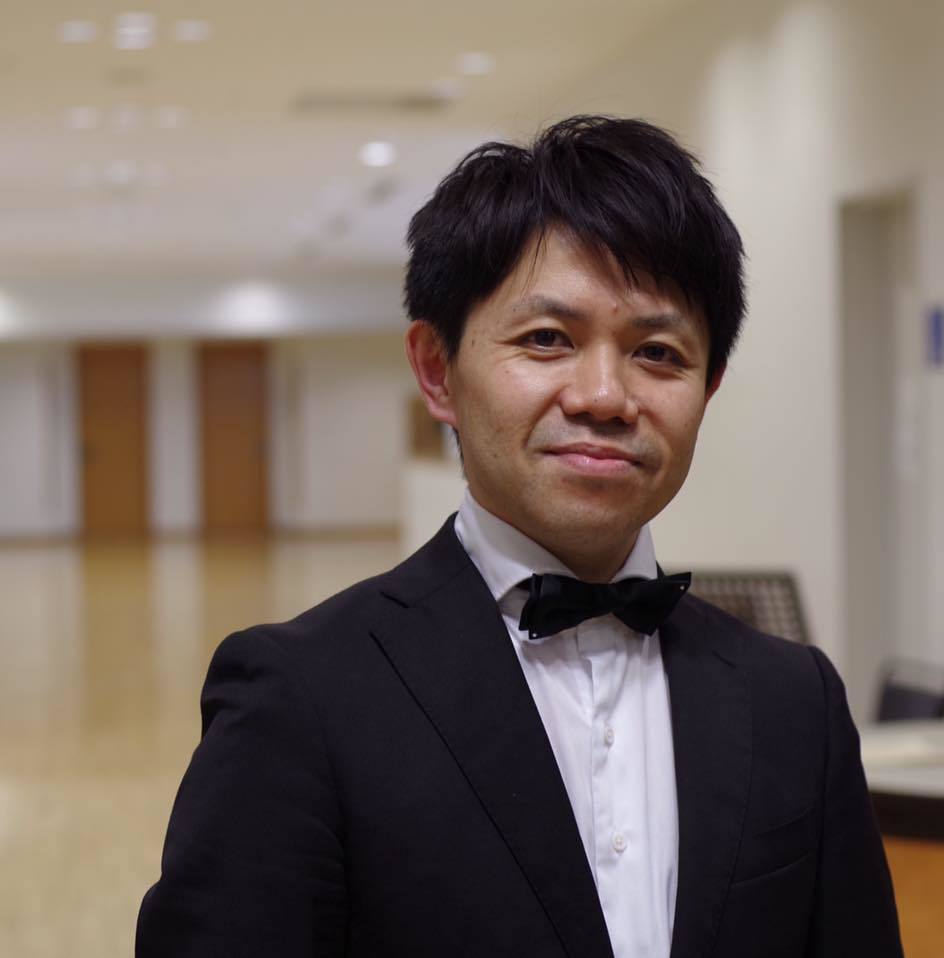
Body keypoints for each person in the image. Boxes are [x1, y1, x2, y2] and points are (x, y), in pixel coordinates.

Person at [137, 116, 903, 958]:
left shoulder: (794, 700)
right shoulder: (300, 697)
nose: (604, 396)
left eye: (657, 352)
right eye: (547, 340)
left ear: (708, 386)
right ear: (438, 371)